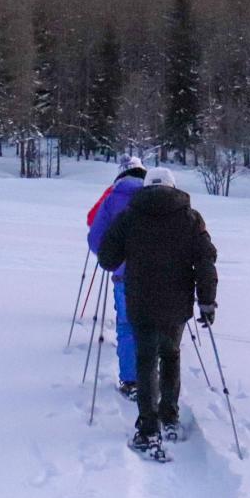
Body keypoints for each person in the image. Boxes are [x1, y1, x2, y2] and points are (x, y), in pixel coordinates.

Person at [98, 167, 217, 459]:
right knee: (171, 355)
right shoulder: (191, 218)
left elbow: (108, 258)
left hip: (140, 300)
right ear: (173, 187)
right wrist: (207, 301)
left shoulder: (130, 215)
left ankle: (149, 430)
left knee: (146, 360)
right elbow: (205, 261)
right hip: (176, 303)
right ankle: (170, 418)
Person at [87, 155, 147, 398]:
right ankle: (159, 378)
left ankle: (132, 381)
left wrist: (111, 258)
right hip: (159, 275)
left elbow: (95, 236)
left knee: (127, 325)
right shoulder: (159, 195)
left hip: (124, 275)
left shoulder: (113, 197)